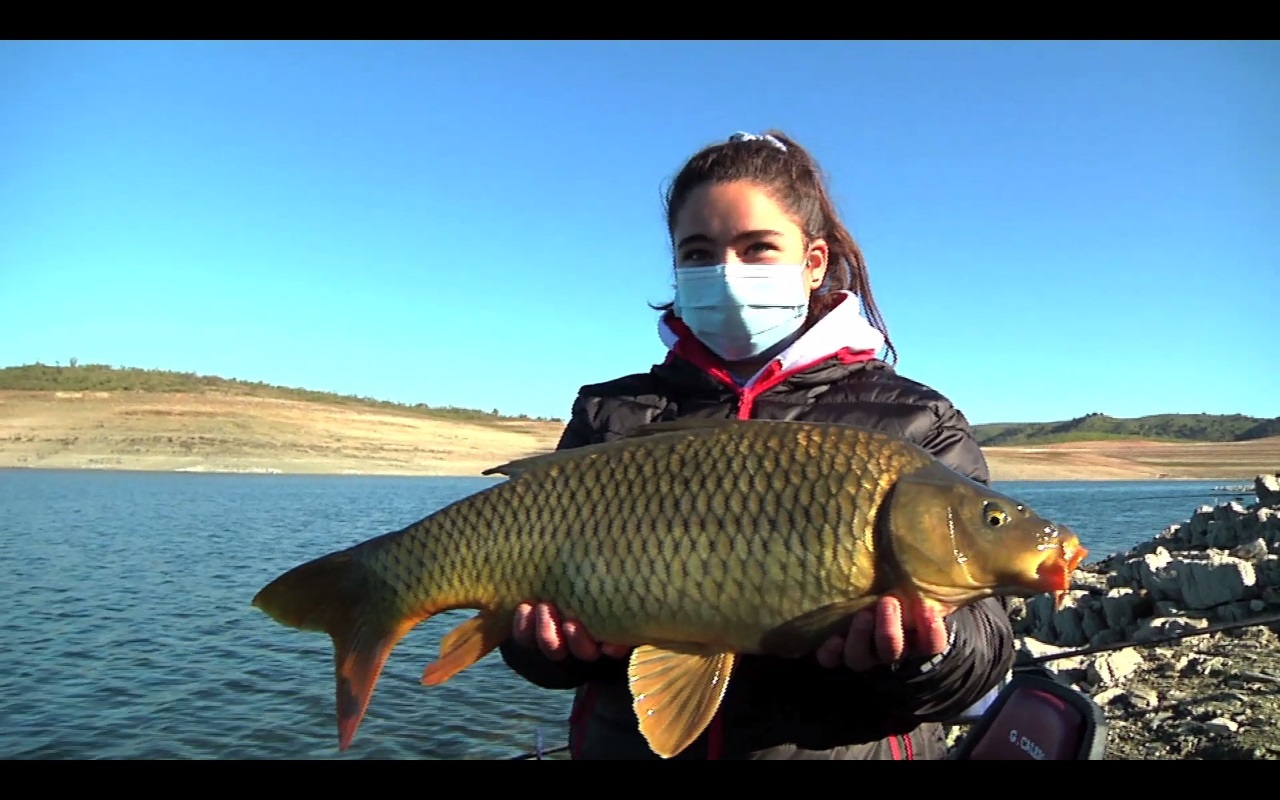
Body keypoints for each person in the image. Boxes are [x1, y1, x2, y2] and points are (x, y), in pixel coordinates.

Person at [498, 129, 1016, 760]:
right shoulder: (610, 414)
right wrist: (541, 644)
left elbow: (984, 649)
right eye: (697, 253)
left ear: (814, 261)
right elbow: (537, 650)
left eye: (758, 248)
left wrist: (928, 651)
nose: (726, 272)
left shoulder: (916, 420)